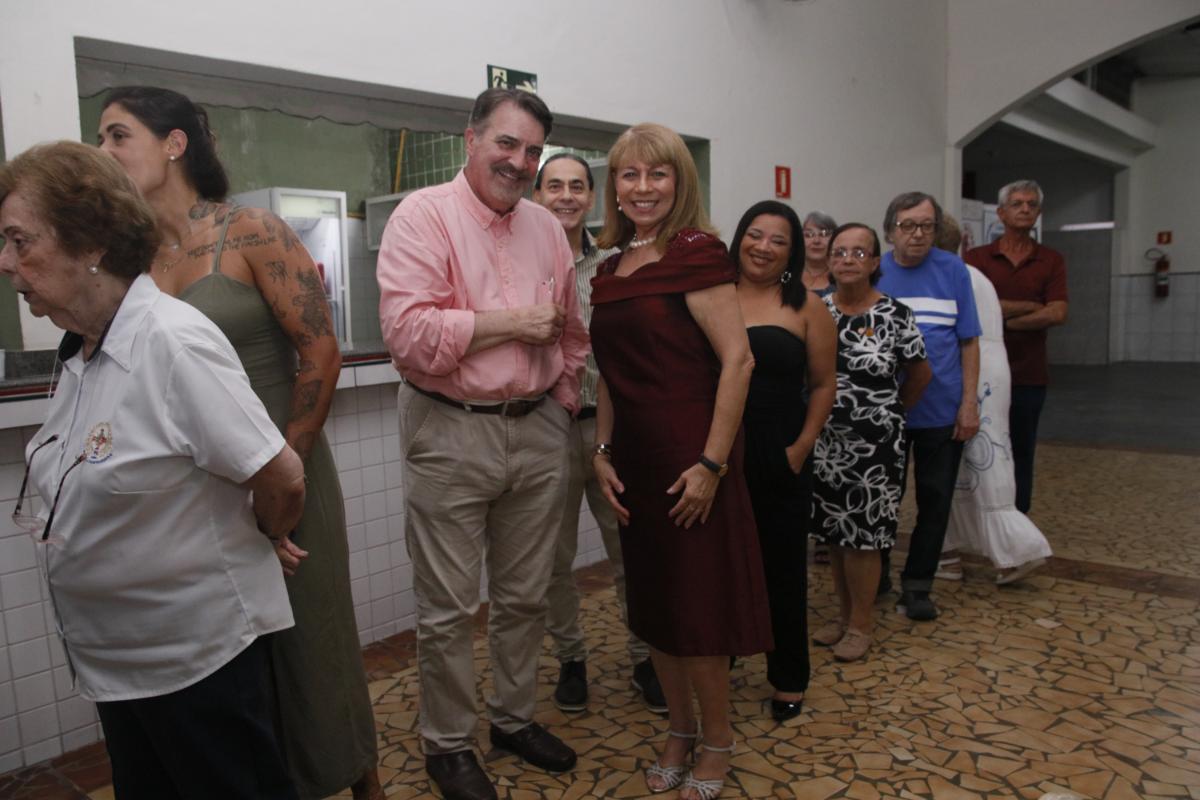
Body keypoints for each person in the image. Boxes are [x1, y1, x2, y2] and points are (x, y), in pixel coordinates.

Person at [97, 86, 381, 800]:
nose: (104, 151)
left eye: (117, 135)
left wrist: (283, 482)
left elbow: (320, 353)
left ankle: (363, 783)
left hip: (289, 468)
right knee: (240, 657)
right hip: (204, 491)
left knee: (314, 639)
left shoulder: (251, 231)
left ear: (174, 144)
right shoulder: (133, 262)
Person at [1, 140, 304, 799]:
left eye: (20, 241)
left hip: (194, 662)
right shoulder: (83, 352)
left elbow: (280, 476)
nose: (6, 262)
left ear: (92, 243)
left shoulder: (172, 341)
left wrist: (263, 534)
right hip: (121, 665)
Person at [376, 88, 588, 800]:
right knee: (448, 609)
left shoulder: (547, 229)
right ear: (470, 139)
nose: (520, 162)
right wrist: (509, 324)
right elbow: (410, 337)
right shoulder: (422, 217)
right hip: (450, 429)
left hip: (537, 427)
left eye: (532, 151)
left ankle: (513, 719)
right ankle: (448, 744)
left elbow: (571, 331)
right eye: (507, 143)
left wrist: (560, 402)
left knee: (525, 597)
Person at [590, 123, 772, 800]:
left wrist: (712, 465)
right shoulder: (609, 268)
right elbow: (610, 375)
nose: (643, 187)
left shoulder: (697, 252)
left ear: (680, 181)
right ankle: (679, 729)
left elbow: (739, 361)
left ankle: (717, 739)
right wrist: (602, 451)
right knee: (656, 608)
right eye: (629, 174)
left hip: (693, 458)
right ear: (615, 185)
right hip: (635, 461)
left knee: (698, 612)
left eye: (657, 173)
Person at [531, 153, 664, 714]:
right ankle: (571, 659)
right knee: (553, 559)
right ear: (538, 195)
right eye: (554, 186)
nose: (565, 196)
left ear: (591, 197)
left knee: (630, 550)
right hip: (544, 428)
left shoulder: (614, 264)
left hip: (611, 428)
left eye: (577, 186)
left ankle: (644, 658)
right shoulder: (522, 262)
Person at [731, 201, 835, 717]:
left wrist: (800, 448)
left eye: (778, 240)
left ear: (792, 252)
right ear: (739, 238)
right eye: (755, 235)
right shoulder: (714, 295)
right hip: (720, 451)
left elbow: (823, 384)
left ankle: (788, 677)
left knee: (782, 569)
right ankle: (720, 653)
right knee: (722, 564)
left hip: (781, 452)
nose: (763, 247)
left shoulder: (807, 306)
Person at [811, 223, 931, 661]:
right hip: (826, 443)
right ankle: (843, 617)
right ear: (829, 261)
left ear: (875, 262)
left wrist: (887, 412)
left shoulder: (896, 314)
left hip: (876, 445)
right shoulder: (817, 310)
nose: (847, 259)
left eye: (858, 252)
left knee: (864, 536)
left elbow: (920, 375)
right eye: (839, 252)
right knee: (835, 532)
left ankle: (861, 625)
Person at [875, 192, 981, 621]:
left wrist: (969, 403)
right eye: (907, 225)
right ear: (890, 231)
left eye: (926, 225)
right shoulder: (875, 271)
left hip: (941, 410)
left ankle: (918, 585)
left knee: (935, 501)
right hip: (886, 413)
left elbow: (969, 341)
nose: (917, 234)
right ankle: (875, 577)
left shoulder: (953, 270)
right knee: (883, 499)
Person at [935, 218, 1053, 584]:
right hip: (990, 374)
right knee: (974, 464)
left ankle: (1014, 551)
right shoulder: (977, 277)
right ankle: (951, 552)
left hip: (970, 375)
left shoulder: (951, 277)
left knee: (978, 465)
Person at [964, 180, 1068, 514]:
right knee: (978, 448)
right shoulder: (976, 258)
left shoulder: (1050, 260)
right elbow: (973, 308)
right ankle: (979, 517)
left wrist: (1002, 322)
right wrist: (1031, 307)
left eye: (1031, 204)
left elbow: (1057, 312)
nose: (1025, 209)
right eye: (1017, 203)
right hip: (981, 373)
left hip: (1029, 375)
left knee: (1022, 449)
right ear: (1001, 213)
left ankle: (1017, 518)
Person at [800, 211, 838, 296]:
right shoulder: (787, 274)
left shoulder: (843, 275)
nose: (816, 241)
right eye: (809, 234)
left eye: (824, 234)